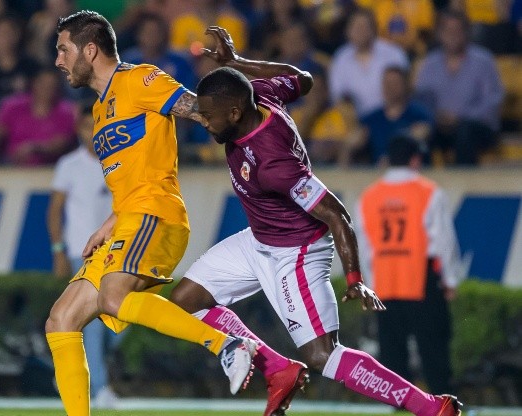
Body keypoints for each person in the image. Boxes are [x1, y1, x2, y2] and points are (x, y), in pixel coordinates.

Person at [168, 26, 462, 416]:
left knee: (323, 356)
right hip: (259, 240)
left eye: (209, 116)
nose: (203, 122)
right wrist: (237, 63)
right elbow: (304, 79)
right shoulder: (264, 95)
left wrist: (355, 279)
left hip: (297, 252)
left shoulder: (274, 163)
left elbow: (337, 214)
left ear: (235, 112)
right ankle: (277, 369)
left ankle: (428, 406)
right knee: (185, 300)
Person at [45, 11, 257, 416]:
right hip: (127, 219)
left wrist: (251, 132)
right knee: (60, 320)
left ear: (90, 50)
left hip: (156, 213)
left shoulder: (140, 79)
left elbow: (202, 111)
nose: (58, 60)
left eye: (63, 49)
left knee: (112, 296)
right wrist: (108, 225)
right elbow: (130, 176)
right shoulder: (99, 111)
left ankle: (226, 344)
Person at [354, 135, 462, 395]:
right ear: (415, 159)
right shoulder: (428, 192)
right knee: (433, 348)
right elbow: (444, 242)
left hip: (386, 281)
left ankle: (399, 405)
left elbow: (364, 248)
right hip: (420, 279)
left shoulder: (369, 197)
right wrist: (450, 281)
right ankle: (442, 403)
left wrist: (370, 286)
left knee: (392, 354)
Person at [46, 106, 117, 406]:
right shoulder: (69, 165)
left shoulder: (117, 160)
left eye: (97, 125)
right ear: (79, 130)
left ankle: (68, 366)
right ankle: (99, 389)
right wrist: (59, 250)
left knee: (120, 321)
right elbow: (54, 211)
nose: (93, 131)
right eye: (87, 126)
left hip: (115, 254)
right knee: (96, 327)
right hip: (80, 253)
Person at [414, 10, 504, 166]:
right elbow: (422, 99)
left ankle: (465, 184)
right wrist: (437, 117)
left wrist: (459, 117)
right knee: (420, 133)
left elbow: (491, 102)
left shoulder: (483, 61)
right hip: (439, 125)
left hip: (477, 127)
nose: (452, 35)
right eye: (448, 31)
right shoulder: (429, 64)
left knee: (464, 132)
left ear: (466, 32)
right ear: (440, 34)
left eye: (457, 30)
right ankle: (423, 185)